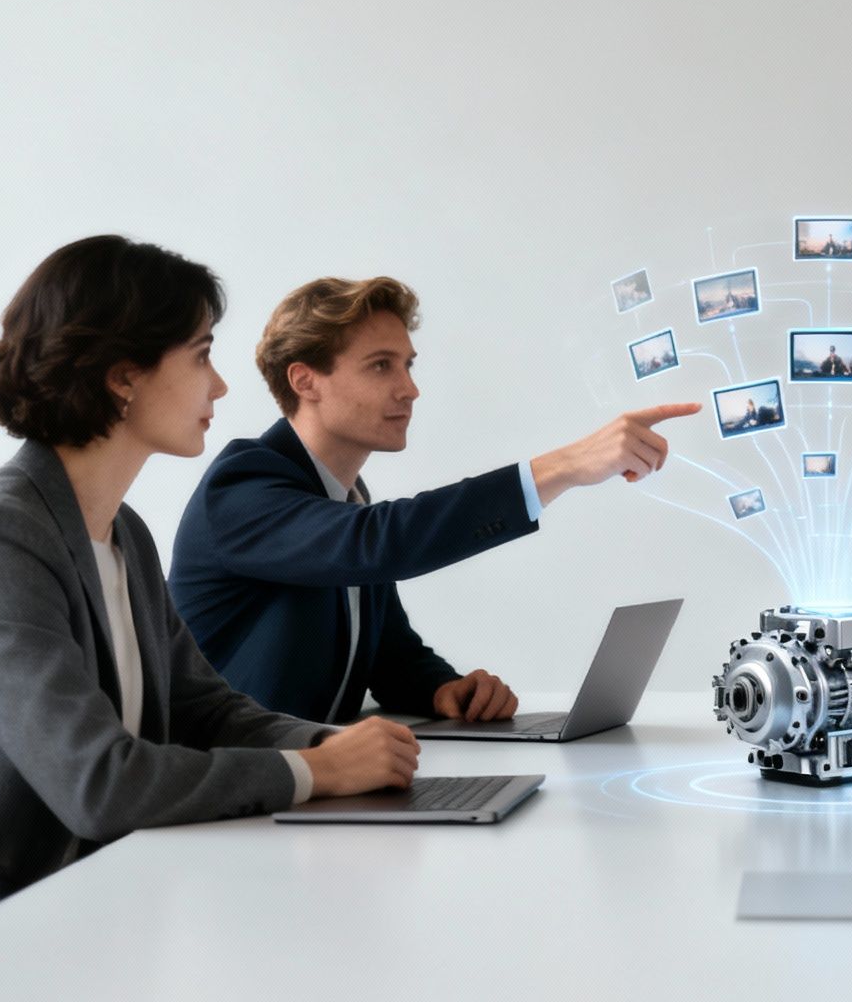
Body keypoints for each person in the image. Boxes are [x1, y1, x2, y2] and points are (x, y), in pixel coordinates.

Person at [0, 237, 419, 982]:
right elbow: (99, 784)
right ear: (123, 378)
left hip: (86, 897)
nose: (223, 387)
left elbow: (207, 708)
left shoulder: (118, 530)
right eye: (202, 355)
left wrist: (346, 747)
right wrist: (313, 771)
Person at [170, 275, 698, 725]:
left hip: (309, 791)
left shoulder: (347, 500)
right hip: (229, 797)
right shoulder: (241, 488)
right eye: (381, 366)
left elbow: (388, 654)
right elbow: (375, 544)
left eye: (408, 365)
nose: (409, 389)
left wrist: (443, 689)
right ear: (305, 381)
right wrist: (563, 467)